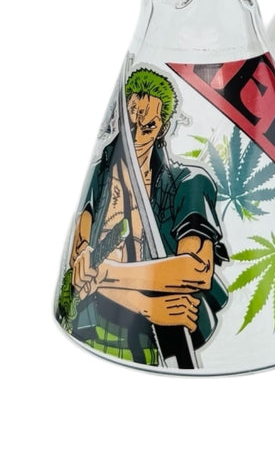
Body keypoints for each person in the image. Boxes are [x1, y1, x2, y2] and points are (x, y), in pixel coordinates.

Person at [59, 68, 228, 366]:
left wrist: (105, 272)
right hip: (86, 329)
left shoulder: (188, 183)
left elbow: (197, 269)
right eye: (132, 121)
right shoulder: (101, 175)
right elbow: (79, 266)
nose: (136, 137)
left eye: (148, 127)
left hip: (147, 343)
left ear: (163, 128)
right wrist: (145, 305)